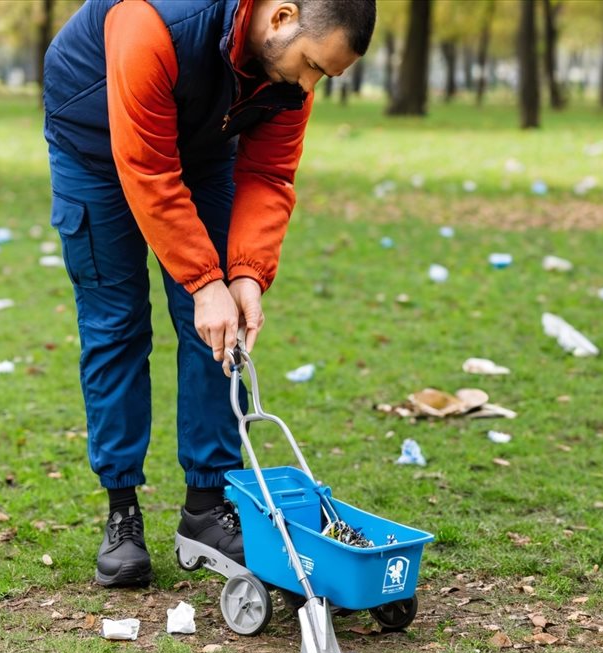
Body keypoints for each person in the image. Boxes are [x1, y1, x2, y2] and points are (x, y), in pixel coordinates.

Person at [43, 0, 376, 587]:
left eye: (322, 75)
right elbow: (146, 168)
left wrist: (244, 273)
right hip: (95, 146)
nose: (308, 86)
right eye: (312, 67)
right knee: (116, 325)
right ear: (283, 17)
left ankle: (206, 506)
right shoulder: (153, 22)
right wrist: (204, 281)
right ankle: (122, 511)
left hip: (202, 148)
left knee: (220, 331)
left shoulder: (288, 74)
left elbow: (269, 175)